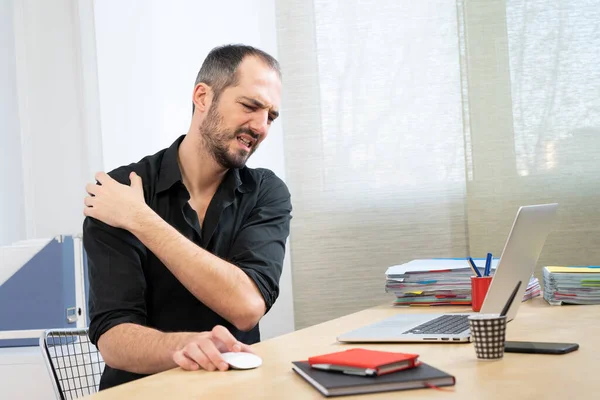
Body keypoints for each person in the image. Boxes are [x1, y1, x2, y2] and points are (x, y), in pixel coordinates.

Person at [82, 44, 292, 390]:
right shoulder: (120, 190)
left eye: (270, 116)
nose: (261, 126)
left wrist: (141, 220)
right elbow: (114, 339)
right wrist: (185, 347)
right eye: (250, 106)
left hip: (235, 390)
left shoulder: (266, 192)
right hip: (142, 393)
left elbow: (247, 305)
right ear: (203, 97)